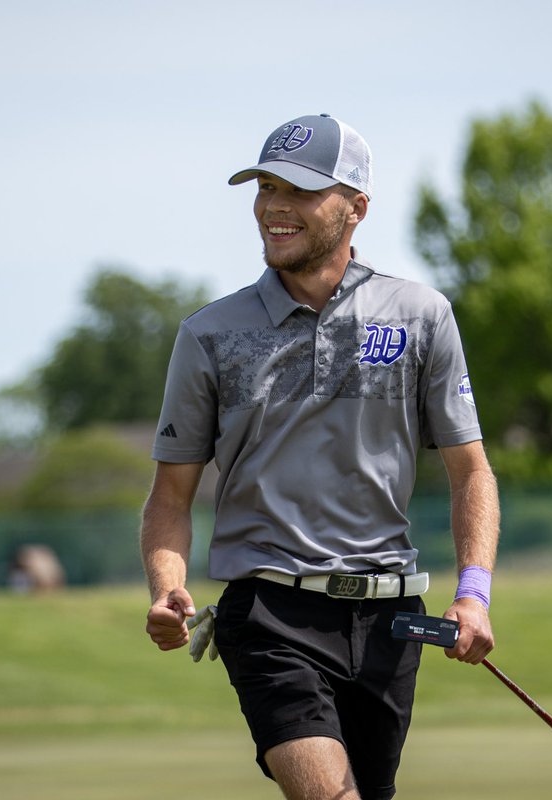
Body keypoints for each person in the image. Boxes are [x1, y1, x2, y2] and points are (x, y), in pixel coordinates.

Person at [141, 113, 500, 800]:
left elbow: (471, 471)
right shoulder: (210, 335)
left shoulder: (420, 316)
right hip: (270, 614)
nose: (275, 206)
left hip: (390, 619)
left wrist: (474, 595)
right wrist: (166, 586)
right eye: (266, 186)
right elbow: (170, 495)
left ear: (355, 208)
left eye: (301, 191)